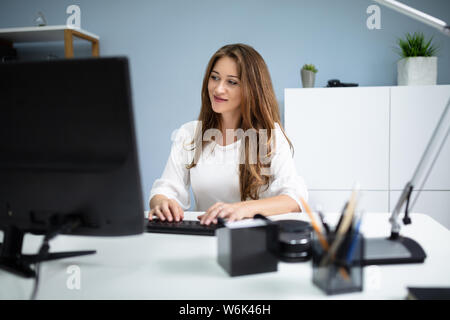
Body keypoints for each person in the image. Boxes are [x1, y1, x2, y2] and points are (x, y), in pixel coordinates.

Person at [149, 43, 308, 225]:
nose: (218, 89)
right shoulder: (189, 134)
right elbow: (165, 190)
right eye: (215, 78)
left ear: (251, 89)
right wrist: (162, 202)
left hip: (253, 238)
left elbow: (295, 198)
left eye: (232, 82)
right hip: (205, 236)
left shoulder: (270, 135)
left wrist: (242, 209)